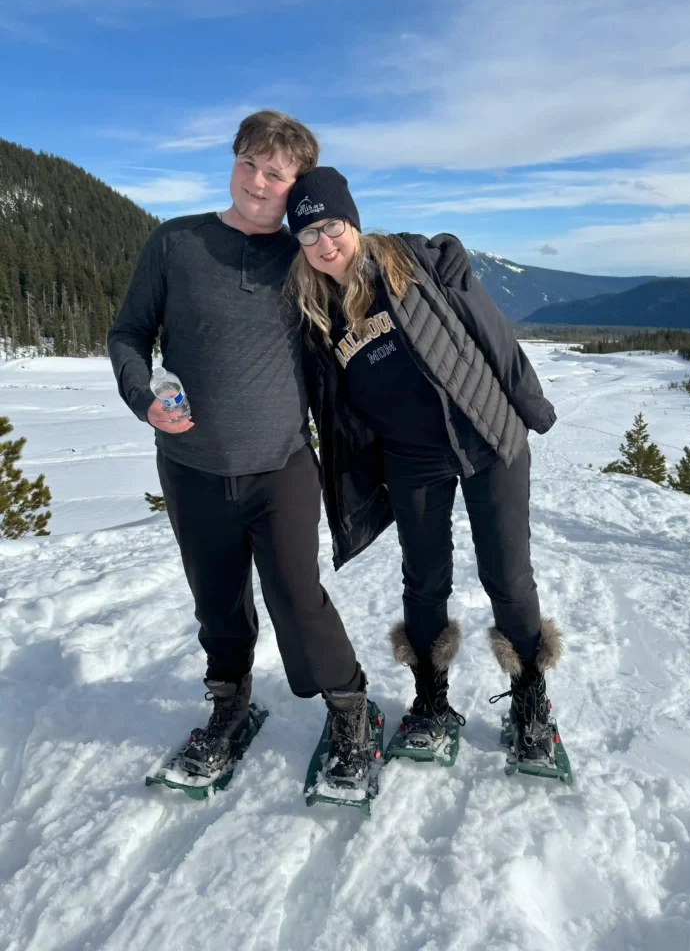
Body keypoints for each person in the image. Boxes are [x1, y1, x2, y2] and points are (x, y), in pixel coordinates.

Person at [107, 112, 370, 787]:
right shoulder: (176, 243)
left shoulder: (301, 255)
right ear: (233, 162)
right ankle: (229, 702)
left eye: (275, 173)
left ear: (295, 186)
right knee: (216, 600)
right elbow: (129, 334)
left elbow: (369, 307)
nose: (257, 181)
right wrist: (144, 398)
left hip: (280, 465)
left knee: (297, 597)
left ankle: (349, 707)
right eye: (249, 163)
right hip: (192, 469)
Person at [285, 167, 563, 766]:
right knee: (425, 581)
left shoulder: (413, 263)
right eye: (307, 234)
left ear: (351, 220)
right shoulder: (315, 312)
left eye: (331, 225)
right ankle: (431, 703)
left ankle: (531, 705)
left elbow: (494, 335)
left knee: (508, 578)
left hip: (487, 437)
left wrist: (531, 406)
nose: (324, 243)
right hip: (409, 460)